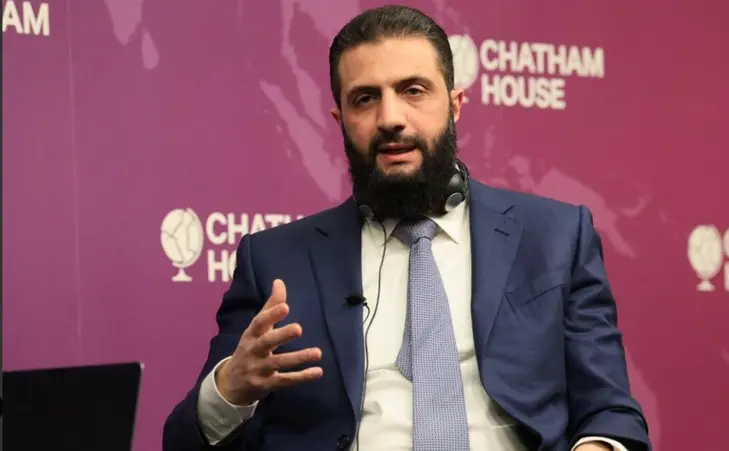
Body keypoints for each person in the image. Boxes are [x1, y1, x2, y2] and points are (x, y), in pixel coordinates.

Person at [162, 5, 650, 451]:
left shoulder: (555, 236)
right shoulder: (274, 260)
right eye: (365, 99)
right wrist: (229, 390)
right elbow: (183, 442)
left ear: (455, 104)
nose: (390, 118)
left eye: (413, 91)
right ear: (339, 119)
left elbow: (611, 411)